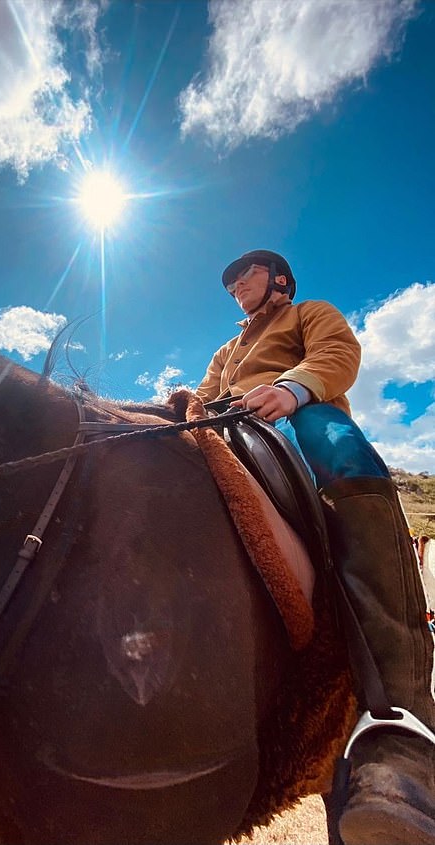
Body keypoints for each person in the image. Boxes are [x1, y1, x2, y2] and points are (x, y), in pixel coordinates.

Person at [196, 249, 435, 845]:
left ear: (278, 279)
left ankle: (402, 721)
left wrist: (293, 390)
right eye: (227, 283)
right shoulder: (225, 354)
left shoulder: (308, 313)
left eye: (242, 275)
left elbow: (339, 355)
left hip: (297, 416)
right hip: (226, 429)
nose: (233, 286)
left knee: (346, 456)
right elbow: (204, 395)